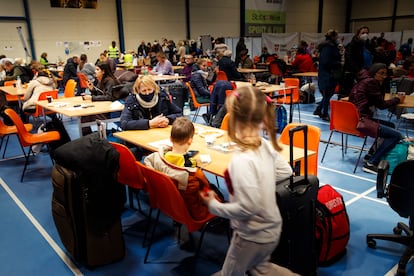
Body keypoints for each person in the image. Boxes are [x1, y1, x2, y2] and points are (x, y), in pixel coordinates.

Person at [200, 86, 294, 275]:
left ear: (233, 119)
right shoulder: (265, 145)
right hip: (272, 229)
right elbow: (286, 171)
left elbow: (247, 208)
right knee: (261, 268)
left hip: (252, 235)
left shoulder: (242, 161)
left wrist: (213, 206)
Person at [144, 117, 221, 220]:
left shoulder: (159, 159)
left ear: (170, 139)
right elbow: (199, 199)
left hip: (168, 205)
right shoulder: (190, 176)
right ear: (190, 141)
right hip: (190, 212)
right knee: (216, 192)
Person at [349, 63, 404, 174]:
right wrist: (398, 100)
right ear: (374, 72)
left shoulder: (363, 80)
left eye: (385, 74)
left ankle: (370, 154)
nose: (384, 76)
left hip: (353, 119)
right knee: (396, 136)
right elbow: (382, 105)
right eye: (381, 73)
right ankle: (371, 163)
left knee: (390, 126)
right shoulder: (371, 82)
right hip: (362, 121)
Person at [81, 62, 121, 135]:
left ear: (103, 71)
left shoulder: (110, 81)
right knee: (84, 115)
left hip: (110, 111)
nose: (95, 71)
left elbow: (108, 97)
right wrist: (92, 89)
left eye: (97, 69)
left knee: (85, 116)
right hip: (103, 107)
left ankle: (88, 137)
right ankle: (89, 137)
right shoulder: (101, 80)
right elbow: (100, 95)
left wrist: (92, 98)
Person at [313, 29, 342, 121]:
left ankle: (318, 109)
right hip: (327, 74)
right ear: (333, 37)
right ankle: (324, 113)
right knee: (327, 94)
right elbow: (326, 62)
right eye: (336, 36)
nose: (337, 38)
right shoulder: (327, 47)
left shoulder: (333, 46)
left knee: (328, 94)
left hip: (330, 74)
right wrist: (337, 63)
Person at [343, 25, 373, 97]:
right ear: (358, 34)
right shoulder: (352, 45)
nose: (365, 35)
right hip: (354, 73)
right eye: (363, 33)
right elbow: (349, 59)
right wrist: (358, 70)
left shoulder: (368, 44)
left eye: (367, 33)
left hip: (367, 71)